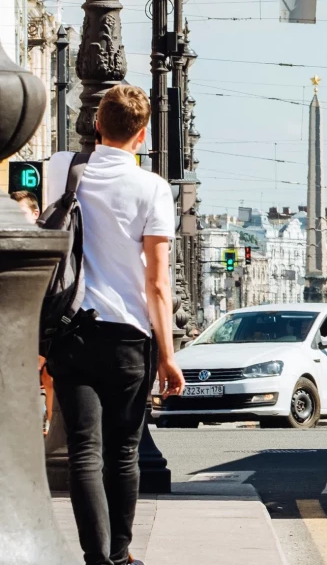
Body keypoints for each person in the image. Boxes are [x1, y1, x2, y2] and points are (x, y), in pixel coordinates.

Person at [44, 85, 186, 565]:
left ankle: (96, 559)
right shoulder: (152, 189)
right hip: (129, 337)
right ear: (143, 135)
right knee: (122, 452)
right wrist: (167, 356)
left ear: (97, 124)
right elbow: (158, 282)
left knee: (84, 449)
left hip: (71, 330)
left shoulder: (63, 168)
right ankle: (122, 556)